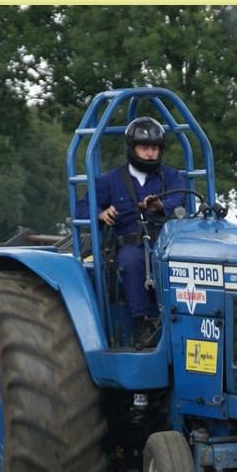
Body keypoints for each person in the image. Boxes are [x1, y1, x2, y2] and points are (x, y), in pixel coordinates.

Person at [75, 117, 185, 348]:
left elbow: (181, 199)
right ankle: (142, 325)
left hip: (167, 243)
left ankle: (181, 322)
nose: (150, 154)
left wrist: (160, 205)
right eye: (144, 148)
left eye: (155, 148)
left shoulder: (171, 176)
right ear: (132, 148)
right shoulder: (109, 181)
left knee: (181, 261)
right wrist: (100, 214)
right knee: (132, 261)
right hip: (130, 245)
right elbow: (82, 207)